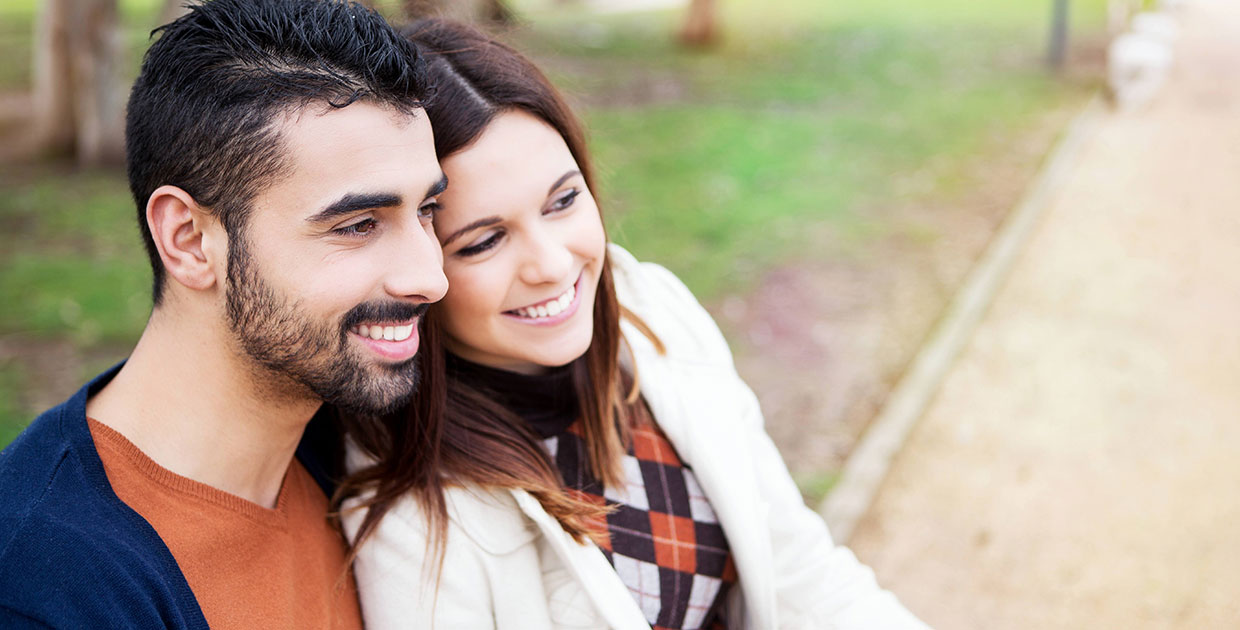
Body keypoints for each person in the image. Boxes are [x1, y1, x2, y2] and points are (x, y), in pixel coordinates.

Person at [341, 19, 929, 630]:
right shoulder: (410, 525)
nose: (551, 264)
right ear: (417, 272)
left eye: (563, 201)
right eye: (484, 241)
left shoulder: (654, 311)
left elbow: (805, 576)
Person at [0, 0, 447, 627]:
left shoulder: (347, 447)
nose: (431, 278)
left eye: (427, 210)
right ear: (188, 239)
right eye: (358, 225)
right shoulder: (47, 590)